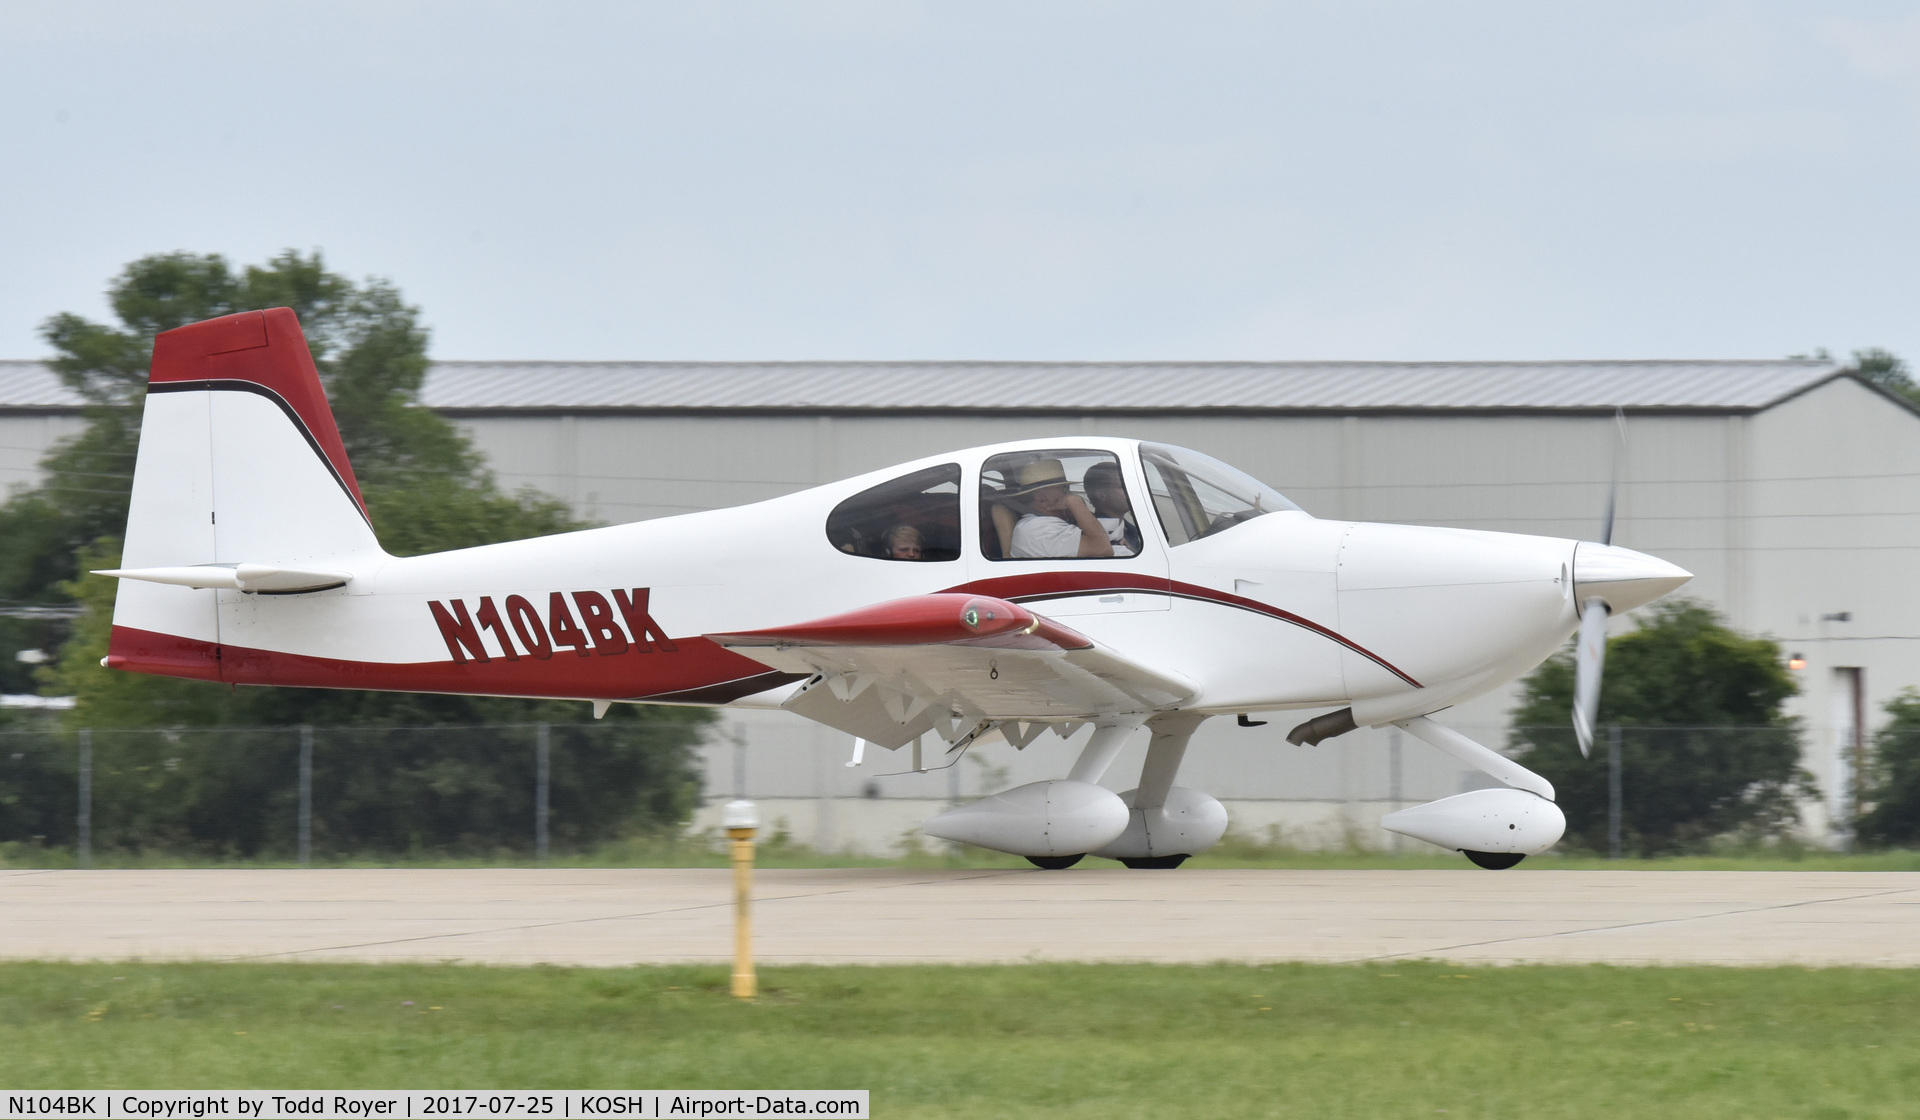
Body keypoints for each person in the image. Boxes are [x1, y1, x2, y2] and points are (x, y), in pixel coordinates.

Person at [1005, 459, 1116, 559]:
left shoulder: (1044, 524)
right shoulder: (1038, 529)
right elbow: (1101, 548)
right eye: (1064, 489)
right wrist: (1074, 503)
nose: (1068, 493)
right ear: (1042, 498)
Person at [1082, 461, 1142, 556]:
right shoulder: (1087, 533)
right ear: (1101, 495)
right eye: (1122, 487)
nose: (1129, 492)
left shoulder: (1132, 530)